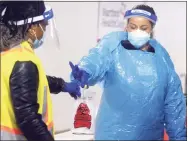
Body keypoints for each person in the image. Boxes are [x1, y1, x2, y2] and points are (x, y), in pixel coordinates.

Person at [69, 4, 187, 140]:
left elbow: (173, 101)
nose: (137, 31)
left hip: (150, 136)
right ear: (126, 26)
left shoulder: (162, 57)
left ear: (152, 30)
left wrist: (179, 136)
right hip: (112, 134)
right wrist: (85, 73)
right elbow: (96, 60)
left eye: (143, 28)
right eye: (133, 26)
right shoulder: (113, 45)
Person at [0, 1, 81, 141]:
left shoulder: (9, 53)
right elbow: (28, 119)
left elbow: (26, 83)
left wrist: (63, 85)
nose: (46, 27)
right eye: (44, 24)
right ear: (32, 28)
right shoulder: (23, 60)